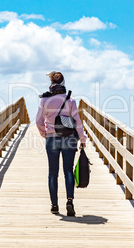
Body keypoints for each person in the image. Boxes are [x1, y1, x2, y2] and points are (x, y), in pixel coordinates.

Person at [36, 71, 87, 216]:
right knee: (68, 171)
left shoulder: (44, 100)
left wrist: (45, 134)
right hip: (69, 138)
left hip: (52, 138)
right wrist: (82, 139)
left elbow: (38, 121)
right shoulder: (70, 100)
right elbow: (77, 122)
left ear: (51, 84)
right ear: (64, 83)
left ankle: (54, 205)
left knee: (53, 173)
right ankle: (70, 201)